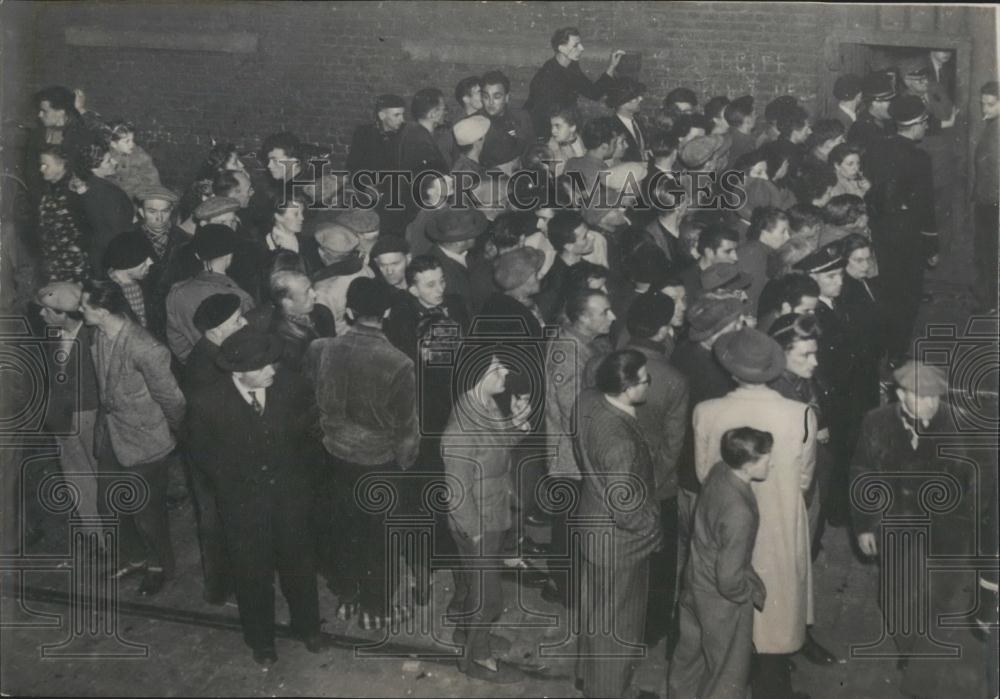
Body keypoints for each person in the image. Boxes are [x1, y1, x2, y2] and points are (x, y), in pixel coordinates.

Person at [185, 328, 330, 666]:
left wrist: (303, 485)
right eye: (262, 366)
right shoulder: (207, 403)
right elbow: (202, 455)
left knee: (300, 566)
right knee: (252, 575)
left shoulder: (293, 388)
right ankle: (261, 640)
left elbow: (312, 438)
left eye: (272, 363)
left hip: (290, 500)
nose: (272, 370)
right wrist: (237, 485)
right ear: (237, 371)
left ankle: (307, 627)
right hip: (243, 507)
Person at [693, 327, 816, 699]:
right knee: (776, 610)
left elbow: (703, 474)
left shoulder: (707, 411)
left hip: (726, 523)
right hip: (781, 522)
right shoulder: (800, 414)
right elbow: (805, 480)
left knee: (730, 615)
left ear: (731, 371)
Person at [850, 361, 985, 699]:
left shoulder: (959, 422)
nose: (929, 405)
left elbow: (980, 478)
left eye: (934, 398)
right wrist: (865, 525)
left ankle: (922, 665)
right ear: (899, 394)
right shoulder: (876, 422)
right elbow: (862, 473)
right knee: (895, 597)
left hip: (947, 532)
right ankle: (909, 652)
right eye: (920, 397)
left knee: (940, 598)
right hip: (895, 525)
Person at [311, 277, 419, 629]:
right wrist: (401, 465)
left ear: (350, 311)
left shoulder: (327, 348)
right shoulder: (398, 363)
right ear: (386, 312)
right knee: (379, 537)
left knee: (344, 529)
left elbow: (325, 406)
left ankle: (349, 596)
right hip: (378, 461)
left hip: (335, 456)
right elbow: (407, 430)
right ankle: (377, 607)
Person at [80, 280, 185, 597]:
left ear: (101, 311)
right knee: (109, 502)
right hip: (112, 434)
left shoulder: (145, 347)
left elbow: (173, 399)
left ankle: (159, 565)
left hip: (146, 439)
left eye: (85, 306)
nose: (80, 310)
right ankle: (135, 557)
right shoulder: (99, 335)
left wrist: (170, 434)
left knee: (147, 512)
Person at [574, 349, 662, 698]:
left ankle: (591, 681)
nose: (648, 385)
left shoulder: (586, 401)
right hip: (620, 543)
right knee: (619, 628)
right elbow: (625, 510)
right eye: (645, 380)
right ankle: (611, 691)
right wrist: (651, 530)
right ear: (626, 389)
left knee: (595, 616)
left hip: (591, 525)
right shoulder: (621, 442)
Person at [669, 427, 771, 699]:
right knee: (727, 673)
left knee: (689, 658)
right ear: (748, 465)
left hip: (694, 581)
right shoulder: (740, 511)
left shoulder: (719, 471)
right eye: (764, 458)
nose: (769, 463)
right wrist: (745, 595)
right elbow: (728, 578)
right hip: (720, 600)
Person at [624, 293, 690, 646]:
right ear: (664, 330)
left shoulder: (603, 364)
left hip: (613, 482)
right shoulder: (673, 378)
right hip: (657, 486)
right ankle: (652, 629)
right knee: (659, 563)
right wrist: (653, 483)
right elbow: (673, 445)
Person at [863, 94, 937, 364]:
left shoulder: (876, 148)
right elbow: (925, 207)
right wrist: (932, 245)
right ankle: (896, 353)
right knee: (907, 295)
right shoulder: (919, 159)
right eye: (925, 122)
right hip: (908, 237)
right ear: (917, 123)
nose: (926, 127)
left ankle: (880, 349)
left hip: (878, 231)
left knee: (883, 290)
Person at [37, 282, 102, 526]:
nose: (42, 314)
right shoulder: (53, 335)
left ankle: (120, 538)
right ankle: (96, 535)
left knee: (100, 475)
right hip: (63, 419)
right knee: (75, 476)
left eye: (46, 310)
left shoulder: (93, 336)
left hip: (89, 415)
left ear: (63, 313)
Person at [166, 223, 255, 362]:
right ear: (229, 255)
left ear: (197, 255)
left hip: (197, 371)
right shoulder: (239, 297)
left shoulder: (176, 293)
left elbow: (177, 344)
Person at [524, 26, 621, 135]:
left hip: (566, 126)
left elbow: (593, 93)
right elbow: (539, 116)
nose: (582, 48)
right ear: (561, 48)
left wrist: (612, 66)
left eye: (580, 44)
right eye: (575, 45)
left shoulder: (572, 66)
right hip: (547, 131)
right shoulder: (547, 76)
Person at [73, 137, 135, 269]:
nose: (114, 162)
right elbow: (117, 229)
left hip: (100, 251)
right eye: (108, 161)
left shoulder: (91, 185)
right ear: (94, 169)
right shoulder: (105, 192)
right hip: (112, 255)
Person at [37, 144, 90, 283]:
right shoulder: (50, 187)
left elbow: (90, 220)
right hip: (54, 256)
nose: (41, 169)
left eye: (45, 165)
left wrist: (79, 246)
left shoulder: (73, 189)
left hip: (72, 260)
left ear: (61, 165)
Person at [973, 81, 999, 314]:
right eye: (983, 104)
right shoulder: (992, 125)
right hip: (988, 200)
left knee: (989, 254)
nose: (985, 109)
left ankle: (989, 302)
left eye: (990, 104)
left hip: (992, 204)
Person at [480, 70, 535, 171]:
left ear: (506, 98)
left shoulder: (521, 117)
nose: (490, 102)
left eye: (497, 97)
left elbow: (531, 149)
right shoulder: (476, 122)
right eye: (486, 97)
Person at [104, 119, 162, 199]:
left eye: (132, 140)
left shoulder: (141, 155)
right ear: (113, 144)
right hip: (113, 196)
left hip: (137, 196)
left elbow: (153, 180)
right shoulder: (106, 157)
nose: (132, 144)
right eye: (127, 141)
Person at [607, 77, 648, 162]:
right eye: (636, 97)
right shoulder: (612, 127)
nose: (641, 99)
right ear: (624, 103)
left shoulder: (639, 122)